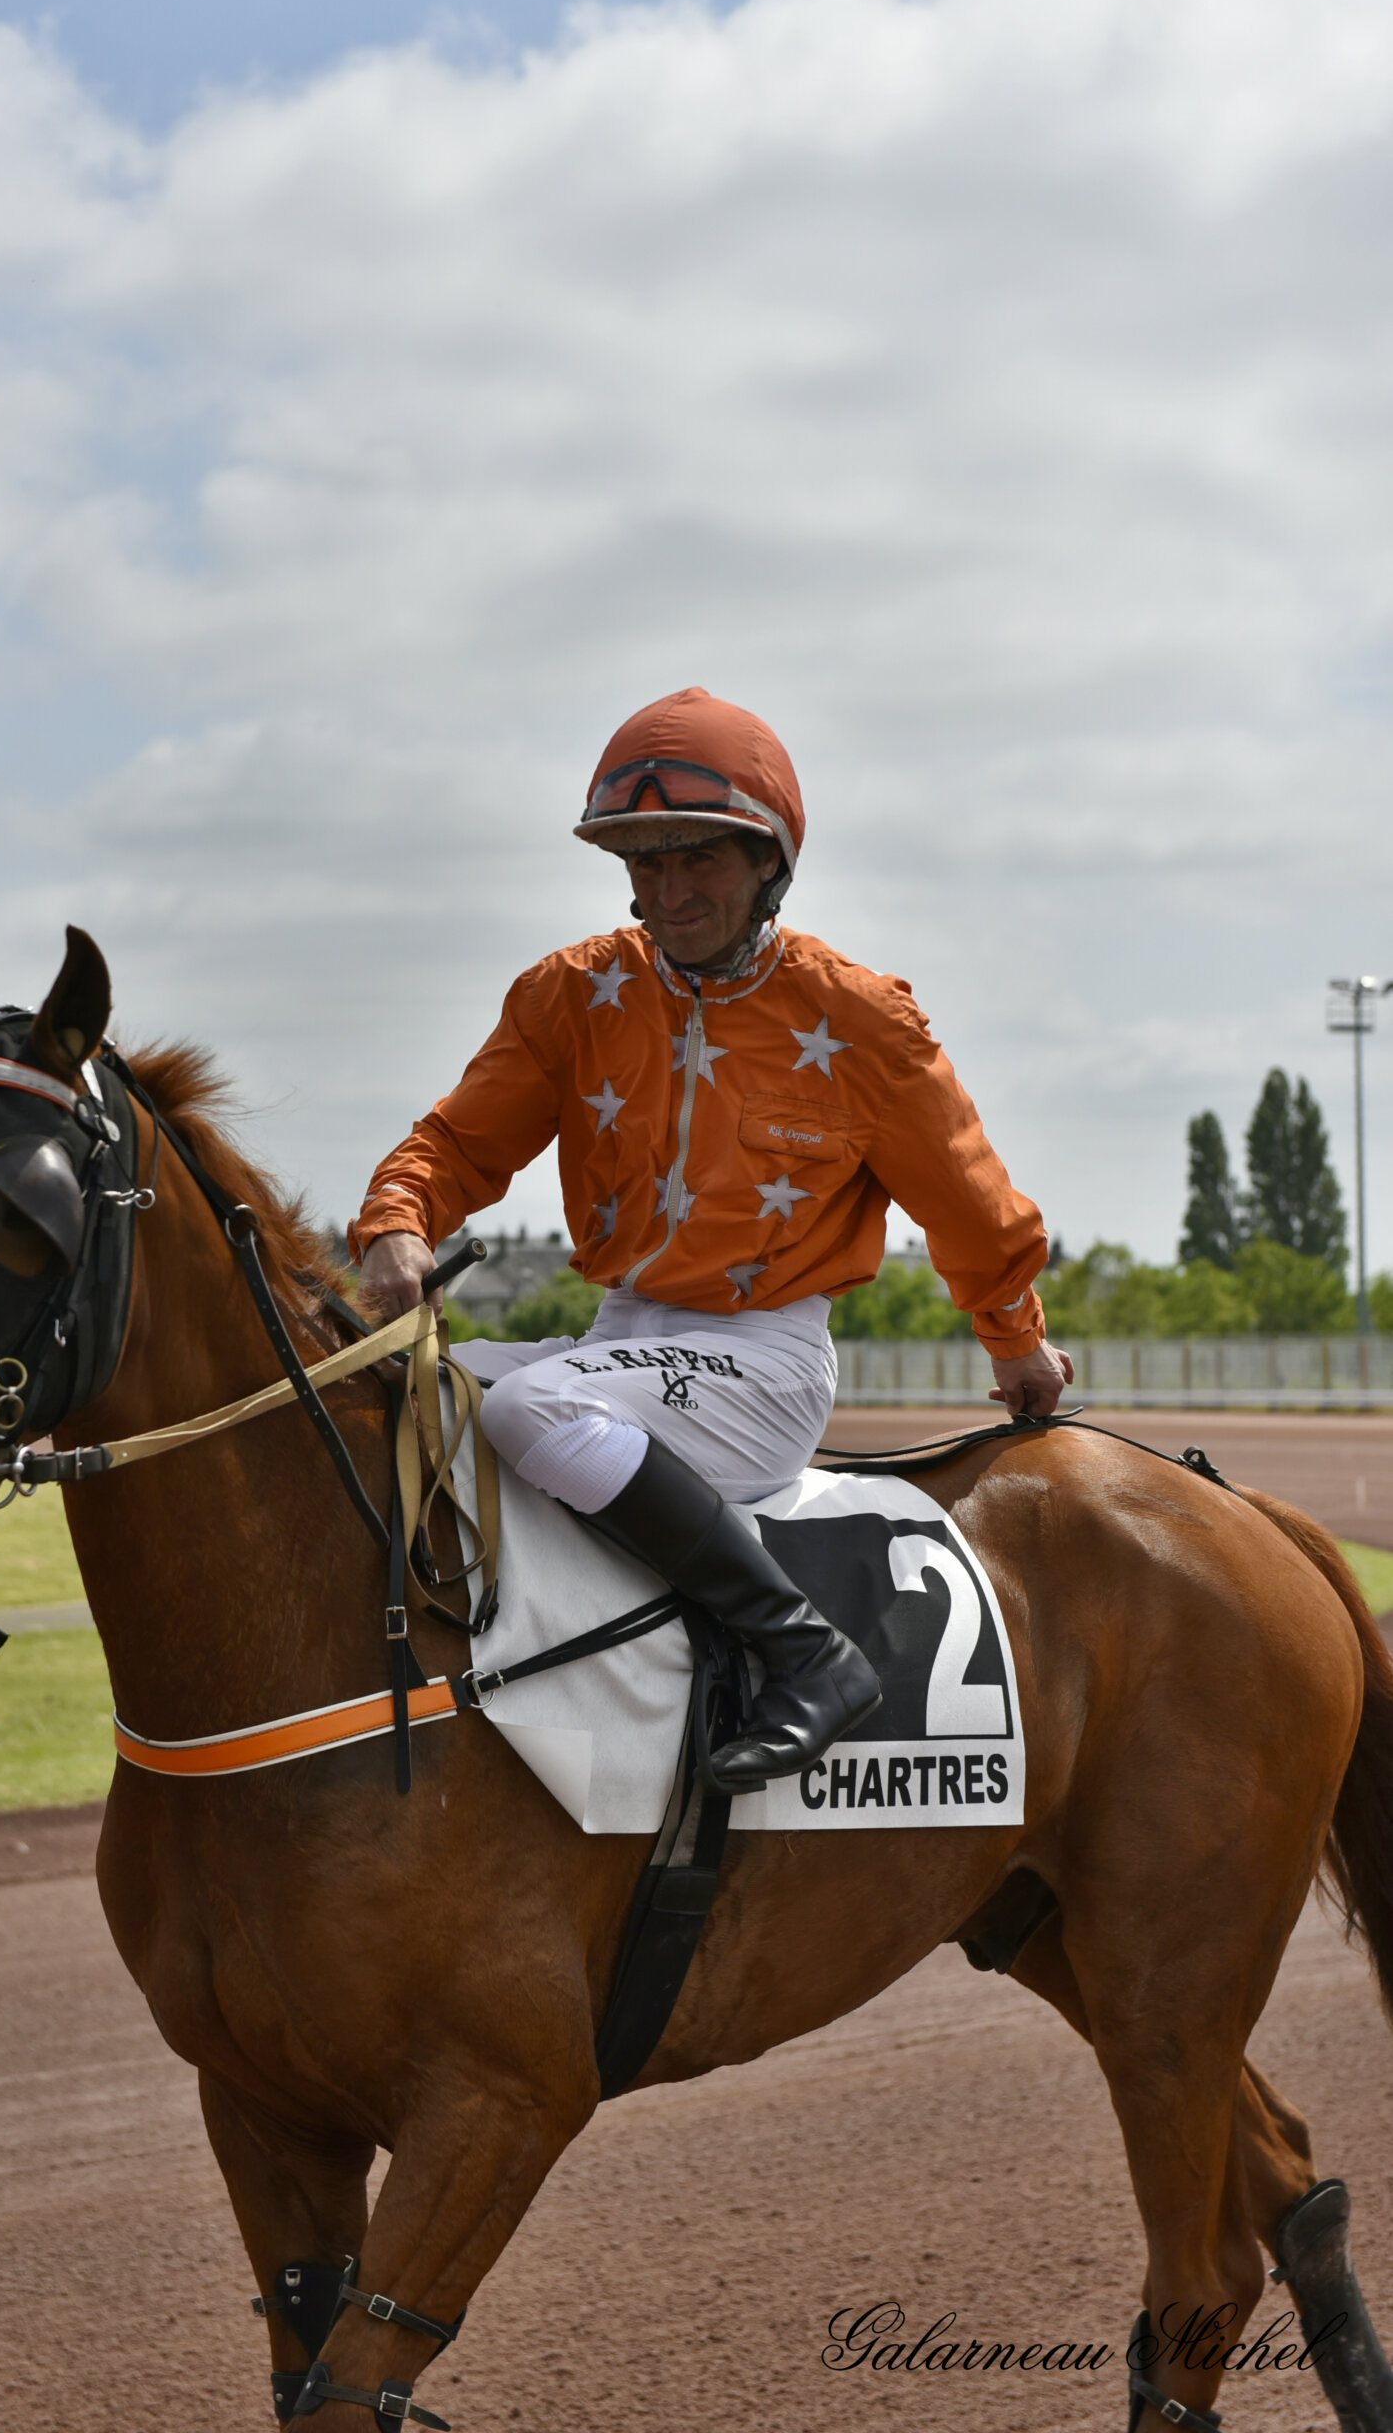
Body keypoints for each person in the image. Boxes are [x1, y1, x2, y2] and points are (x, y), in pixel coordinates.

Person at [352, 687, 1070, 1794]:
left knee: (528, 1408)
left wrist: (1013, 1340)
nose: (666, 892)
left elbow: (967, 1199)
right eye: (642, 863)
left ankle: (806, 1652)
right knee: (393, 1393)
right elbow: (453, 1144)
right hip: (619, 1345)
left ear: (768, 861)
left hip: (762, 1362)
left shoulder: (861, 1020)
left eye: (698, 859)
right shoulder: (570, 995)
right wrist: (396, 1220)